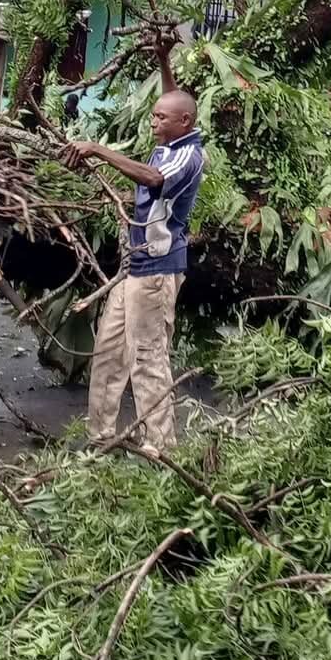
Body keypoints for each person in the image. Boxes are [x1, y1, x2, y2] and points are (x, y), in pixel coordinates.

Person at [64, 51, 204, 450]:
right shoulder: (172, 136)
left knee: (147, 358)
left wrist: (98, 150)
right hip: (135, 267)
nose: (153, 120)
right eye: (154, 115)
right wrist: (163, 58)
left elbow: (154, 178)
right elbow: (173, 98)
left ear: (184, 124)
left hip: (159, 270)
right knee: (109, 351)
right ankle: (100, 437)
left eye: (161, 118)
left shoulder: (189, 156)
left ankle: (160, 448)